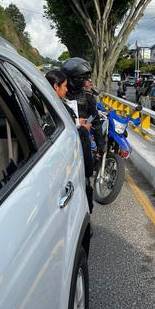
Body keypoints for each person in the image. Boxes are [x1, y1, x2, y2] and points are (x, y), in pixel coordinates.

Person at [45, 69, 95, 213]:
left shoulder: (51, 103)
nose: (67, 89)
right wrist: (83, 128)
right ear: (56, 86)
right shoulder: (53, 106)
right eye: (65, 86)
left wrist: (76, 121)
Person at [61, 58, 106, 211]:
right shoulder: (58, 95)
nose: (83, 81)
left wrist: (101, 146)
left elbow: (97, 123)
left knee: (85, 183)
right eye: (80, 78)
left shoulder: (88, 98)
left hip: (82, 146)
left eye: (84, 78)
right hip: (61, 148)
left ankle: (86, 214)